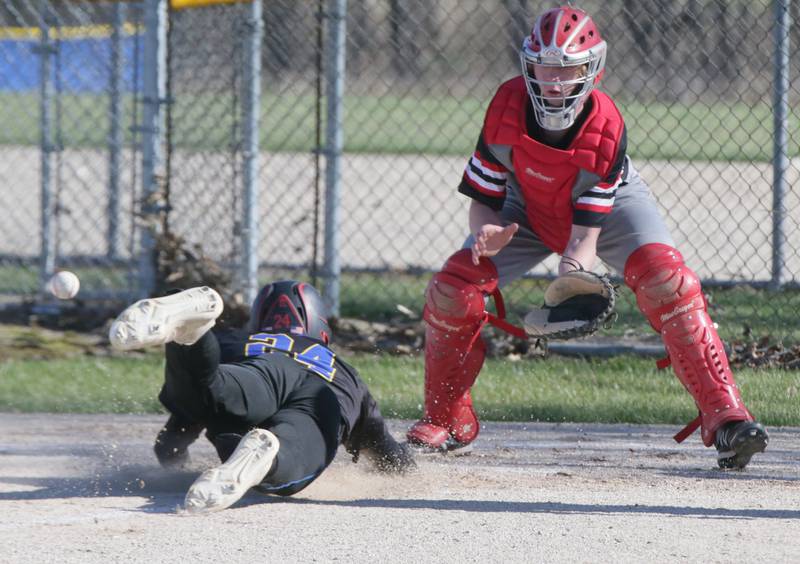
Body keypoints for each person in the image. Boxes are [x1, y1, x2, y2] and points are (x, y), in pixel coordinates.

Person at [406, 5, 768, 469]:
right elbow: (484, 195)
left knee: (668, 283)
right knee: (452, 291)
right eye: (545, 67)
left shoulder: (604, 126)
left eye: (568, 68)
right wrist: (486, 233)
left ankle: (727, 419)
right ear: (527, 65)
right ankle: (447, 420)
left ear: (592, 68)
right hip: (523, 208)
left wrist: (573, 274)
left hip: (606, 211)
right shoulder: (506, 108)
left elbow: (583, 236)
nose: (554, 80)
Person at [109, 281, 414, 514]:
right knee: (293, 457)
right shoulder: (346, 373)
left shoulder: (242, 341)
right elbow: (388, 456)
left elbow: (173, 437)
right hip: (321, 397)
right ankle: (268, 458)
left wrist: (172, 464)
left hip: (261, 372)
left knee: (205, 390)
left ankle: (191, 334)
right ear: (321, 327)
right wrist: (405, 462)